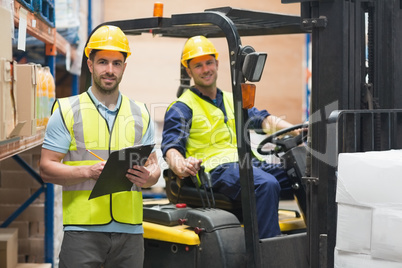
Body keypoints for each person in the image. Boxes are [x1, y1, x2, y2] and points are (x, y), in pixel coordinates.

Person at [39, 25, 161, 267]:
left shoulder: (141, 113)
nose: (110, 70)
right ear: (90, 64)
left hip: (131, 233)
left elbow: (154, 168)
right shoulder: (66, 111)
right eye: (103, 61)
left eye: (117, 63)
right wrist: (87, 171)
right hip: (83, 231)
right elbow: (46, 168)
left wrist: (147, 177)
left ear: (124, 67)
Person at [161, 35, 300, 239]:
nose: (206, 69)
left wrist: (299, 130)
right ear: (189, 71)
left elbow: (263, 120)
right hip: (215, 170)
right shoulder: (183, 107)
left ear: (217, 63)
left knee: (304, 176)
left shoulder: (231, 98)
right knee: (266, 184)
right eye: (198, 65)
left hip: (248, 163)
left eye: (209, 62)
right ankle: (268, 255)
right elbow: (172, 148)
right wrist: (181, 166)